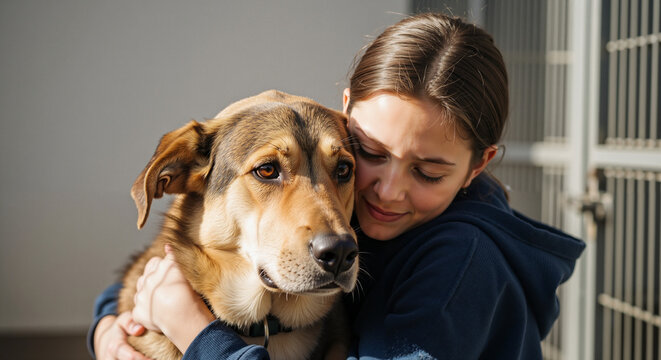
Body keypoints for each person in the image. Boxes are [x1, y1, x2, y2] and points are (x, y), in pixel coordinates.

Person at [89, 12, 585, 360]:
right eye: (369, 154)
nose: (387, 191)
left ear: (478, 167)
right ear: (346, 114)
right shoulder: (359, 206)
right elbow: (163, 266)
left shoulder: (459, 260)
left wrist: (197, 335)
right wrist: (110, 325)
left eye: (429, 172)